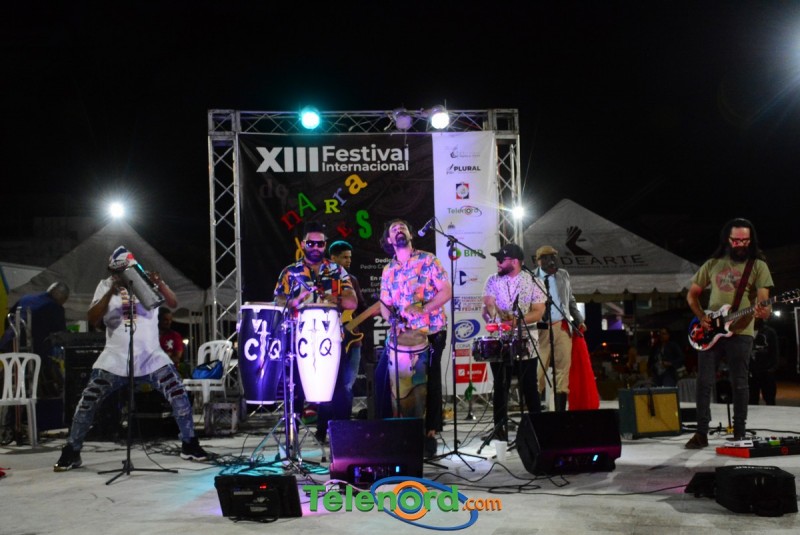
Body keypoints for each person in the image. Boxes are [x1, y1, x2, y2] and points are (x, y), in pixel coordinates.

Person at [54, 246, 209, 471]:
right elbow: (93, 318)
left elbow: (173, 303)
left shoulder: (146, 282)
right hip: (115, 358)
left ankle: (189, 443)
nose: (117, 274)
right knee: (88, 401)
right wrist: (111, 291)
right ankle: (72, 450)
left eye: (122, 270)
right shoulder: (106, 285)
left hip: (151, 357)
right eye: (114, 271)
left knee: (178, 394)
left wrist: (160, 284)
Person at [685, 218, 773, 448]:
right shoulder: (712, 263)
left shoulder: (758, 265)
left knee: (740, 382)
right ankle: (701, 433)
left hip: (742, 330)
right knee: (704, 382)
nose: (741, 244)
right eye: (736, 240)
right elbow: (692, 295)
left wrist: (764, 310)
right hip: (710, 330)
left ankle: (740, 432)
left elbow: (763, 300)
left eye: (745, 240)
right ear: (727, 239)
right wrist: (701, 316)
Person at [273, 223, 357, 443]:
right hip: (300, 341)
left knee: (338, 390)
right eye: (311, 243)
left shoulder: (337, 271)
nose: (316, 248)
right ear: (303, 244)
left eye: (320, 244)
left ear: (325, 245)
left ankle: (340, 442)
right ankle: (292, 442)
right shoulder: (290, 272)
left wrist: (336, 299)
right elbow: (277, 300)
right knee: (296, 391)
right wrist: (295, 301)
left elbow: (352, 302)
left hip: (331, 340)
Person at [378, 219, 451, 458]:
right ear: (389, 240)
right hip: (403, 334)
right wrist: (393, 321)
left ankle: (430, 433)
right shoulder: (388, 269)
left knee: (429, 380)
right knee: (385, 378)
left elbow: (446, 291)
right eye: (393, 229)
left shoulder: (428, 260)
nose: (399, 230)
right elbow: (385, 305)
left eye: (403, 227)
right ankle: (397, 431)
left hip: (432, 330)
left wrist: (425, 308)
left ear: (410, 234)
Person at [481, 243, 545, 441]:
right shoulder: (492, 280)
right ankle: (499, 430)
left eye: (502, 259)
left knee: (529, 386)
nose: (498, 263)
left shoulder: (533, 281)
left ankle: (537, 431)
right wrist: (491, 315)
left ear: (515, 261)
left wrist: (517, 321)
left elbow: (538, 311)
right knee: (501, 386)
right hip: (500, 340)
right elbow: (487, 306)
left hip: (526, 340)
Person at [312, 239, 374, 443]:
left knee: (347, 386)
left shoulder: (352, 280)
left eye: (350, 257)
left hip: (352, 341)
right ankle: (322, 431)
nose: (348, 261)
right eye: (344, 257)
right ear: (333, 258)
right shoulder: (320, 279)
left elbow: (361, 307)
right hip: (326, 341)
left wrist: (353, 324)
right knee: (327, 387)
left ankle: (343, 434)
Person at [532, 245, 586, 411]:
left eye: (553, 257)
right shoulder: (530, 278)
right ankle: (535, 414)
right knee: (538, 372)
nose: (551, 261)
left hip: (562, 326)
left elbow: (570, 299)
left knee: (563, 371)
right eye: (547, 258)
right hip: (540, 330)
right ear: (539, 261)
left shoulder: (563, 274)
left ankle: (560, 414)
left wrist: (579, 319)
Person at [1, 281, 70, 397]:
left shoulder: (27, 298)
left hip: (9, 341)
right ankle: (51, 397)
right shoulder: (55, 307)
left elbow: (9, 318)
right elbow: (60, 334)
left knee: (9, 372)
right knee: (48, 365)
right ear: (63, 298)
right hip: (31, 349)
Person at [749, 318, 779, 406]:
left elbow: (775, 350)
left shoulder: (769, 332)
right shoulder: (746, 332)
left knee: (769, 398)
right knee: (752, 399)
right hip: (752, 371)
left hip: (766, 370)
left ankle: (771, 414)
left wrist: (772, 368)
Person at [158, 308, 188, 377]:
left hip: (169, 373)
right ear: (158, 320)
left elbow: (177, 358)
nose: (169, 322)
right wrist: (167, 355)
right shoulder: (150, 335)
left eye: (170, 320)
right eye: (165, 320)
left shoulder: (175, 336)